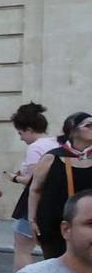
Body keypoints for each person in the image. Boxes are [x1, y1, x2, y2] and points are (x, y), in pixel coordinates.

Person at [30, 111, 92, 263]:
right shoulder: (52, 157)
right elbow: (35, 190)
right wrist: (32, 220)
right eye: (89, 125)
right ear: (72, 130)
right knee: (57, 266)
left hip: (88, 224)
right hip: (54, 224)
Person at [8, 102, 57, 272]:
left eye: (21, 133)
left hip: (35, 202)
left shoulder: (35, 148)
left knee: (22, 247)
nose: (21, 138)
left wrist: (15, 178)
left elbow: (34, 180)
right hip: (57, 200)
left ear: (29, 129)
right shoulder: (57, 142)